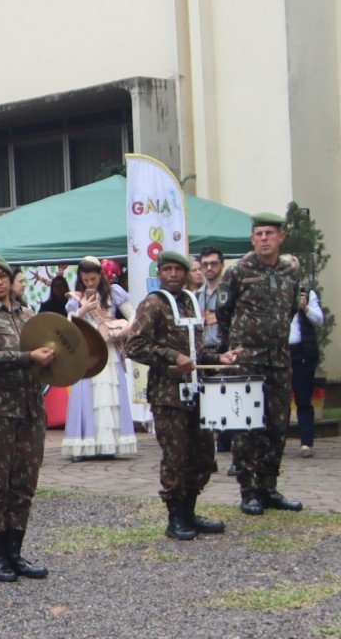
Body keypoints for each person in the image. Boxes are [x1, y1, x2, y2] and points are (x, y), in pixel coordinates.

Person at [0, 254, 57, 581]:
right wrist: (28, 356)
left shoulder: (28, 314)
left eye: (3, 276)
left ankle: (15, 553)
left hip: (29, 410)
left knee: (23, 483)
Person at [123, 252, 227, 540]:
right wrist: (171, 356)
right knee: (176, 456)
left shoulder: (191, 301)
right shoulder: (153, 304)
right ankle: (175, 517)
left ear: (186, 273)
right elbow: (135, 345)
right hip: (169, 395)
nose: (172, 274)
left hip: (197, 391)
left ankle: (190, 511)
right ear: (159, 274)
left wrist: (220, 357)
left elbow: (197, 351)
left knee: (204, 453)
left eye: (177, 269)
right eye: (166, 269)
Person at [214, 214, 306, 515]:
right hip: (247, 361)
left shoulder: (290, 270)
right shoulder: (239, 270)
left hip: (278, 359)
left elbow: (292, 307)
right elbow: (223, 312)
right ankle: (249, 490)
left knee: (277, 426)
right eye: (258, 234)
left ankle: (269, 486)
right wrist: (237, 347)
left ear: (281, 236)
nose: (264, 238)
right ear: (252, 238)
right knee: (247, 427)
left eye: (269, 233)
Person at [62, 257, 137, 460]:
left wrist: (124, 330)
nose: (89, 284)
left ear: (101, 276)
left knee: (109, 396)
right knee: (87, 395)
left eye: (93, 279)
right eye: (85, 280)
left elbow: (133, 315)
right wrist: (82, 310)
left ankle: (109, 444)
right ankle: (86, 444)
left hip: (109, 349)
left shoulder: (114, 292)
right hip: (87, 350)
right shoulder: (75, 298)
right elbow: (68, 325)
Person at [288, 284, 326, 458]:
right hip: (280, 351)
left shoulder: (307, 293)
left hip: (302, 351)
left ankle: (306, 443)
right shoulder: (274, 290)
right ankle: (277, 441)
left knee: (303, 397)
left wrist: (305, 307)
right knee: (278, 399)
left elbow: (319, 320)